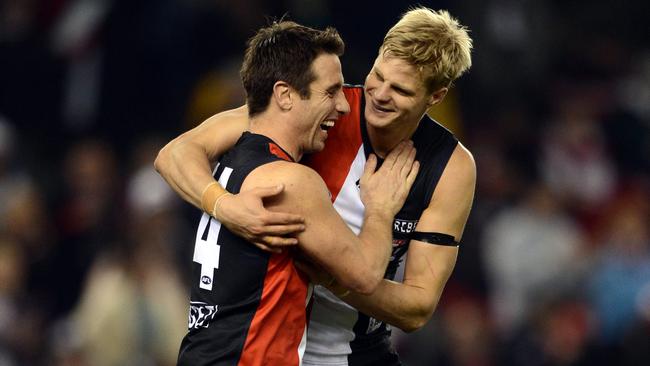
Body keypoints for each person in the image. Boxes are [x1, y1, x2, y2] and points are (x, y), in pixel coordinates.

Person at [156, 7, 475, 366]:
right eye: (377, 76)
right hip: (276, 344)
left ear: (435, 96)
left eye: (400, 89)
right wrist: (224, 206)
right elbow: (177, 153)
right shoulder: (319, 109)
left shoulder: (450, 166)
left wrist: (331, 277)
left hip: (358, 351)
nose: (380, 95)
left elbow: (417, 309)